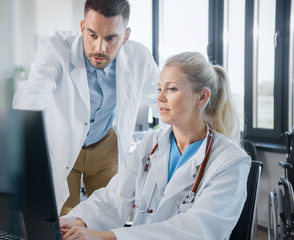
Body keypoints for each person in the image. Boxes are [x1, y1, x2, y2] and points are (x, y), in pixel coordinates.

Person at [59, 52, 251, 240]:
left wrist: (108, 237)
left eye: (172, 89)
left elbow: (198, 229)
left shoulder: (231, 161)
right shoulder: (151, 144)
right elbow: (114, 197)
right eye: (159, 89)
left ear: (201, 97)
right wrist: (77, 223)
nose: (160, 98)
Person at [13, 0, 160, 215]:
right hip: (64, 142)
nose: (99, 48)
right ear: (82, 27)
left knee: (107, 217)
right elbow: (35, 91)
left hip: (106, 144)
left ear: (126, 36)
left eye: (111, 38)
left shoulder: (140, 57)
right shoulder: (55, 48)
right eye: (92, 35)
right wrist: (28, 138)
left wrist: (175, 144)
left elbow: (162, 99)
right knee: (62, 219)